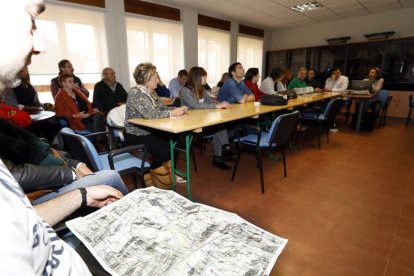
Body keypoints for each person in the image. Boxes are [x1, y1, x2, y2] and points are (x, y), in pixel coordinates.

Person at [0, 1, 122, 274]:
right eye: (31, 20)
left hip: (64, 246)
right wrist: (70, 176)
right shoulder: (57, 95)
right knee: (109, 171)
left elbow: (22, 220)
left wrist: (79, 192)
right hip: (67, 144)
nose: (41, 45)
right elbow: (67, 119)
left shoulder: (72, 90)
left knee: (97, 119)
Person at [124, 62, 188, 169]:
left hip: (151, 130)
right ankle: (154, 174)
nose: (158, 81)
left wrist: (176, 109)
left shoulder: (152, 92)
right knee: (166, 151)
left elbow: (162, 108)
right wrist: (171, 113)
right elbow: (150, 114)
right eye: (155, 78)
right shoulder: (135, 92)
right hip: (136, 133)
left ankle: (169, 173)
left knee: (175, 146)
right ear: (146, 80)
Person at [180, 66, 235, 170]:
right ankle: (223, 151)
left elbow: (210, 101)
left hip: (203, 120)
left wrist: (222, 103)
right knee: (219, 127)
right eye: (204, 77)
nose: (206, 79)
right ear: (198, 77)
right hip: (190, 123)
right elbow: (196, 105)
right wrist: (217, 106)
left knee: (219, 125)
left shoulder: (202, 88)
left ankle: (221, 155)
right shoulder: (185, 90)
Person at [4, 66, 61, 143]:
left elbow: (37, 104)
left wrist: (44, 105)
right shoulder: (10, 88)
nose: (27, 72)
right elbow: (12, 105)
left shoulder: (30, 88)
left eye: (27, 70)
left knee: (55, 125)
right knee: (37, 131)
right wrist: (29, 108)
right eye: (23, 71)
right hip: (22, 119)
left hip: (37, 117)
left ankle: (47, 146)